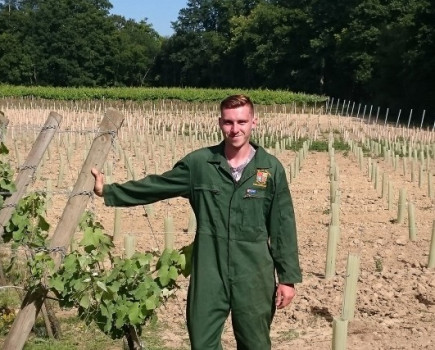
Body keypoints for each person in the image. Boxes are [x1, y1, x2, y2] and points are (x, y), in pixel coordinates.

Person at [91, 94, 302, 350]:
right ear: (219, 123)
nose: (235, 129)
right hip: (209, 269)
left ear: (254, 122)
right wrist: (110, 191)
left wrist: (287, 278)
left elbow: (283, 225)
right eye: (228, 122)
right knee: (201, 342)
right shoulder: (200, 164)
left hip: (254, 272)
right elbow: (158, 186)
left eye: (242, 122)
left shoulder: (270, 169)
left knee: (255, 344)